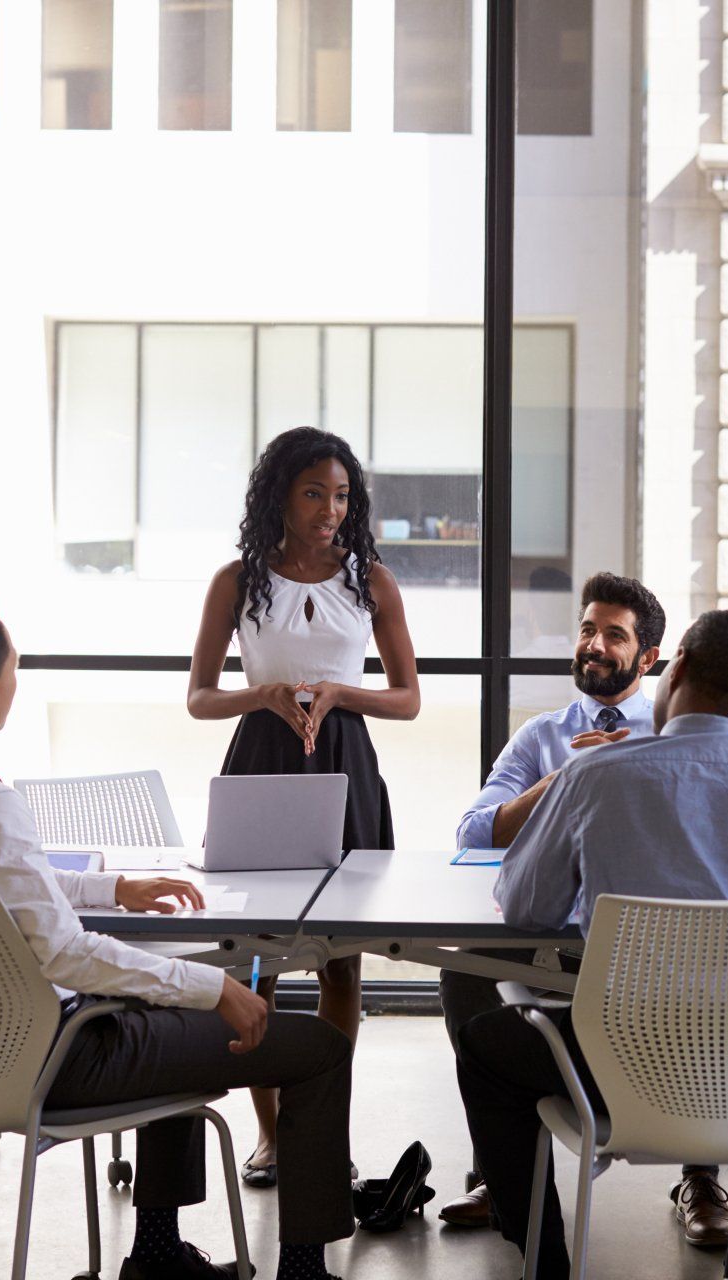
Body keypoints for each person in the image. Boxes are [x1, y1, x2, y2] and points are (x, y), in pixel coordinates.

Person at [0, 597, 355, 1280]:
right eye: (15, 671)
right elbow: (66, 954)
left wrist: (112, 889)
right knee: (317, 1047)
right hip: (58, 1058)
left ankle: (158, 1255)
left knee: (168, 1009)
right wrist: (217, 988)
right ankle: (302, 1271)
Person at [455, 610, 728, 1280]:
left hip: (623, 1059)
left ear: (672, 667)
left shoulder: (598, 775)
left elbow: (527, 909)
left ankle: (547, 1263)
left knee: (485, 1046)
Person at [443, 573, 728, 1247]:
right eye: (587, 630)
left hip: (663, 950)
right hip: (556, 939)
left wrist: (629, 773)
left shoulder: (676, 737)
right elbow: (475, 831)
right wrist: (566, 782)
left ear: (650, 658)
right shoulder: (542, 736)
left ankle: (702, 1177)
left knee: (707, 986)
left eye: (614, 635)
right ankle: (502, 1169)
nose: (594, 645)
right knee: (462, 972)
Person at [187, 426, 419, 1188]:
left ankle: (325, 1133)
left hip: (346, 762)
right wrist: (265, 694)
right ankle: (273, 1134)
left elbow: (408, 699)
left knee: (342, 962)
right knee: (257, 961)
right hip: (263, 760)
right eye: (315, 492)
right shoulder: (236, 580)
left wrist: (339, 691)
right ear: (280, 496)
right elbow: (198, 698)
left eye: (342, 495)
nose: (330, 509)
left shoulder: (372, 581)